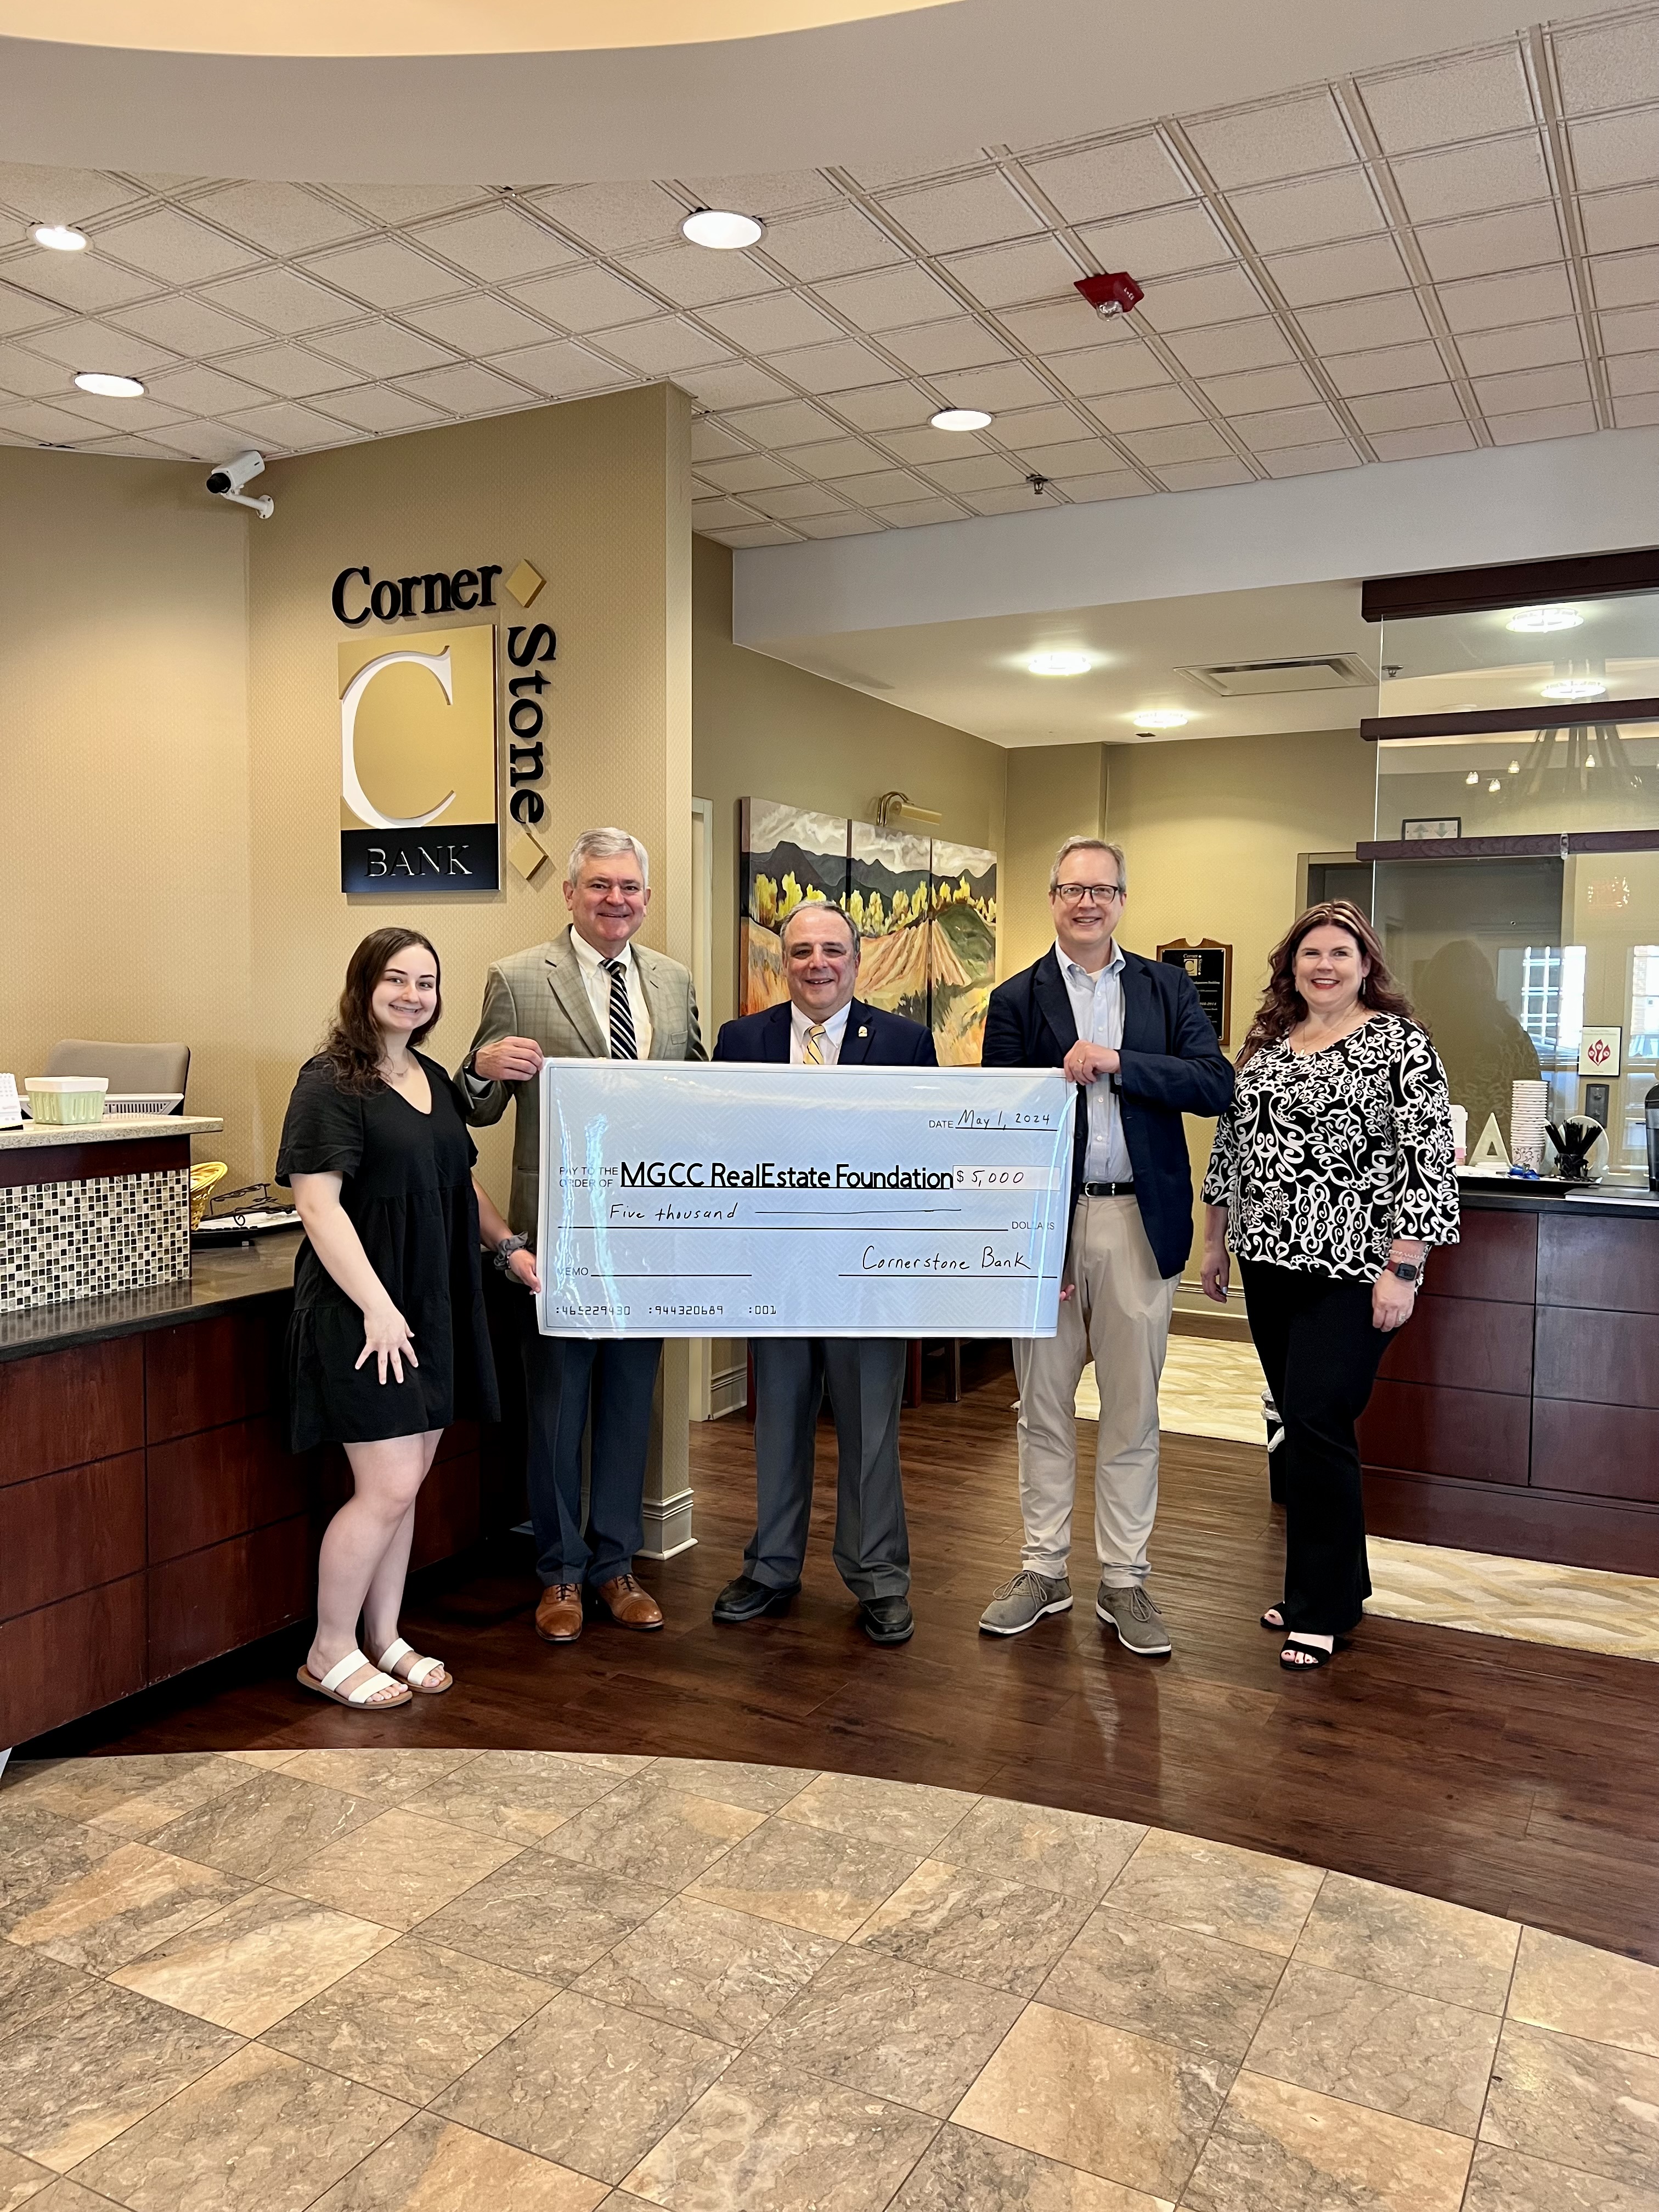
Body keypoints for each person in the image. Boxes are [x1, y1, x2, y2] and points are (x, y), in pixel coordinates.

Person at [978, 837, 1234, 1654]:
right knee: (1043, 1409)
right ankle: (1043, 1570)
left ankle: (1126, 1582)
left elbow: (1214, 1082)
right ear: (1052, 898)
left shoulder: (1164, 988)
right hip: (1050, 1228)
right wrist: (1026, 1240)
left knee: (1133, 1412)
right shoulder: (1017, 998)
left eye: (1102, 890)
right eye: (1070, 889)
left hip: (1137, 1221)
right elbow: (999, 1121)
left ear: (1123, 899)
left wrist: (1121, 1063)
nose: (1086, 903)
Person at [458, 827, 704, 1645]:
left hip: (650, 1235)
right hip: (558, 1236)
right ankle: (559, 1573)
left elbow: (696, 1095)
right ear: (570, 894)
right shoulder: (520, 979)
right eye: (600, 885)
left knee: (631, 1406)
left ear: (645, 896)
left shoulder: (673, 982)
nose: (616, 900)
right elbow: (477, 1109)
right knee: (559, 1410)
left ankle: (615, 1568)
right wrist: (482, 1066)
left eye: (631, 887)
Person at [1200, 901, 1459, 1672]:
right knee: (1307, 1426)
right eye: (1310, 953)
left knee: (1316, 1420)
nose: (1325, 965)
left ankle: (1320, 1611)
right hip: (1268, 1263)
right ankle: (1334, 1584)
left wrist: (1404, 1268)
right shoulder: (1269, 1046)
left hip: (1354, 1272)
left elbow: (1427, 1160)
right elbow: (1229, 1147)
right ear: (1291, 968)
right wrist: (1213, 1242)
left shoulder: (1399, 1045)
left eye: (1340, 953)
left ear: (1366, 965)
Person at [280, 928, 526, 1711]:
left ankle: (383, 1636)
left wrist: (509, 1246)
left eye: (426, 982)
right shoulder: (328, 1081)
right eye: (397, 979)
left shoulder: (432, 1079)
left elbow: (461, 1189)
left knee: (408, 1484)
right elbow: (317, 1206)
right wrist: (378, 1308)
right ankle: (328, 1650)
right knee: (383, 1486)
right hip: (366, 1311)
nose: (413, 995)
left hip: (435, 1303)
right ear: (363, 986)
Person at [709, 900, 937, 1646]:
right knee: (778, 1423)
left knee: (871, 1429)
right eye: (802, 950)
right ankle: (772, 1567)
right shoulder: (742, 1040)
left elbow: (923, 1152)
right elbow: (724, 1150)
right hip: (774, 1272)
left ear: (857, 960)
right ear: (784, 962)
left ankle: (878, 1576)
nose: (818, 963)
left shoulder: (904, 1041)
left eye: (832, 950)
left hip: (867, 1274)